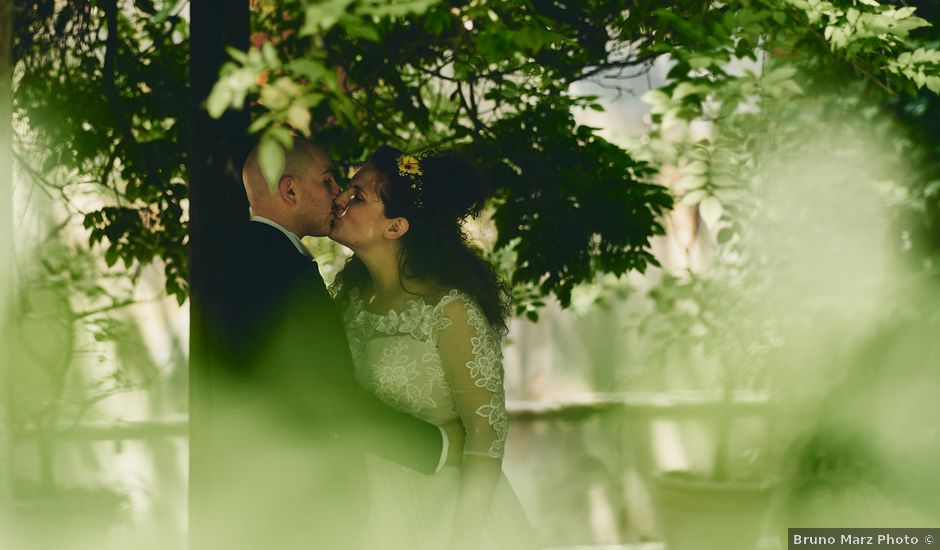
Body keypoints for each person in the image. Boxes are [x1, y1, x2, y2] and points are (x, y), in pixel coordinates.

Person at [197, 139, 462, 550]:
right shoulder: (276, 271)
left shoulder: (247, 259)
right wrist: (439, 447)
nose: (337, 194)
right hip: (294, 510)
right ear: (290, 191)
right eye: (327, 180)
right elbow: (328, 396)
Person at [331, 146, 539, 550]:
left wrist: (461, 537)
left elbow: (486, 436)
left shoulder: (451, 311)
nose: (340, 200)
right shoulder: (349, 302)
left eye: (358, 196)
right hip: (367, 511)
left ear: (395, 227)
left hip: (444, 514)